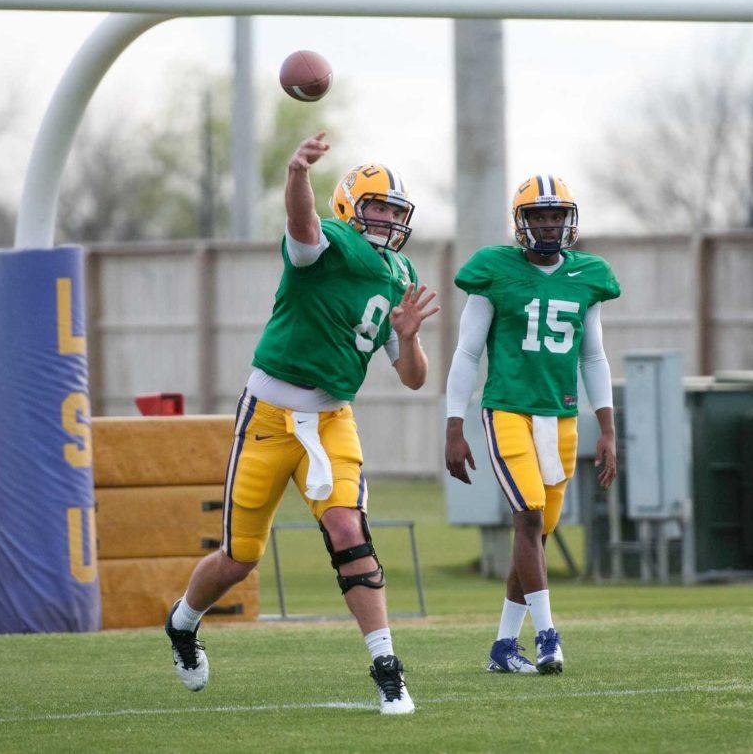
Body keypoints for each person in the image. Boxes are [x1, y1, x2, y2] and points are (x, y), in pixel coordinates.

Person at [165, 132, 439, 715]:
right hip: (267, 416)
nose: (388, 219)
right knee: (239, 559)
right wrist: (296, 174)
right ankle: (183, 623)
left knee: (348, 529)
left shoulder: (399, 271)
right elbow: (304, 227)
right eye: (377, 207)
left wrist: (410, 340)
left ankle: (388, 669)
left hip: (333, 417)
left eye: (395, 210)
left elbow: (413, 377)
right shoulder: (329, 242)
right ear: (348, 207)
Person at [444, 174, 619, 675]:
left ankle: (502, 646)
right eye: (538, 216)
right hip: (507, 409)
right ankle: (547, 637)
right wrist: (454, 426)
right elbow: (467, 353)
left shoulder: (589, 275)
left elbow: (594, 358)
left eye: (555, 216)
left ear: (569, 221)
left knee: (537, 535)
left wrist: (606, 428)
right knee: (528, 517)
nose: (547, 225)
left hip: (560, 415)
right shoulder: (493, 270)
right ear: (521, 223)